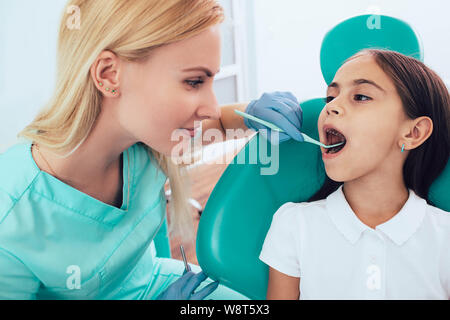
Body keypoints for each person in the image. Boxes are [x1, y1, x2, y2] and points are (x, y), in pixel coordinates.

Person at [0, 0, 304, 299]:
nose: (212, 106)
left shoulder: (144, 143)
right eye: (194, 81)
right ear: (109, 74)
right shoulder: (11, 212)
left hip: (159, 284)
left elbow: (221, 124)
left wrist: (252, 113)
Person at [259, 49, 450, 299]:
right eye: (330, 98)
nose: (331, 107)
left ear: (413, 133)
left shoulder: (444, 237)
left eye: (360, 96)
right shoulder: (294, 225)